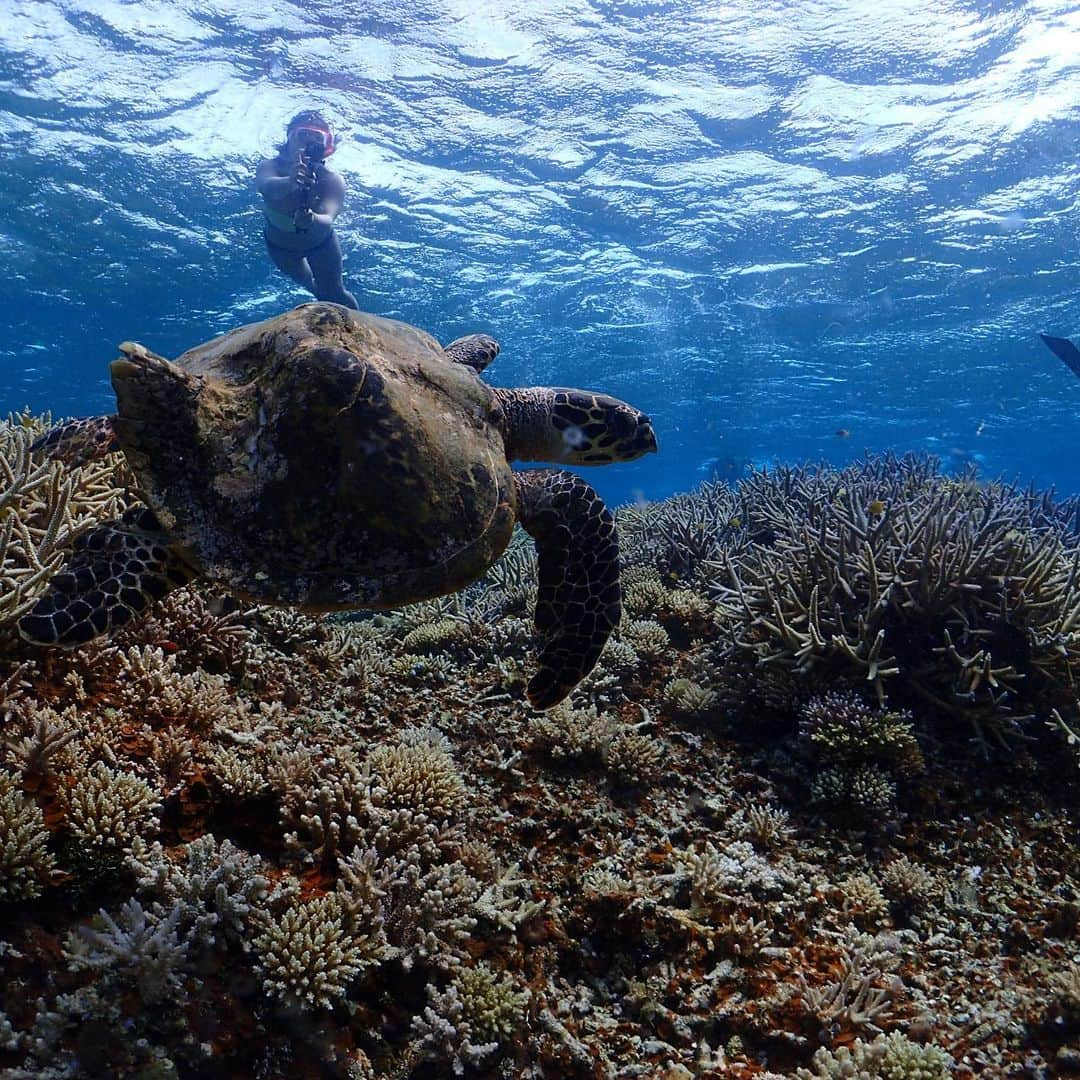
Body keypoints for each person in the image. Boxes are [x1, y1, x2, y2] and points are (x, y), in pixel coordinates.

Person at [256, 111, 359, 309]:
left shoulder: (331, 179)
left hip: (321, 244)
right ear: (288, 139)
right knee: (314, 288)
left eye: (317, 137)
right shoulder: (270, 166)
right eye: (302, 134)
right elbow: (267, 187)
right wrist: (290, 181)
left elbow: (329, 217)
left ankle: (359, 330)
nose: (309, 142)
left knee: (334, 291)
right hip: (281, 248)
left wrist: (312, 220)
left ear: (326, 147)